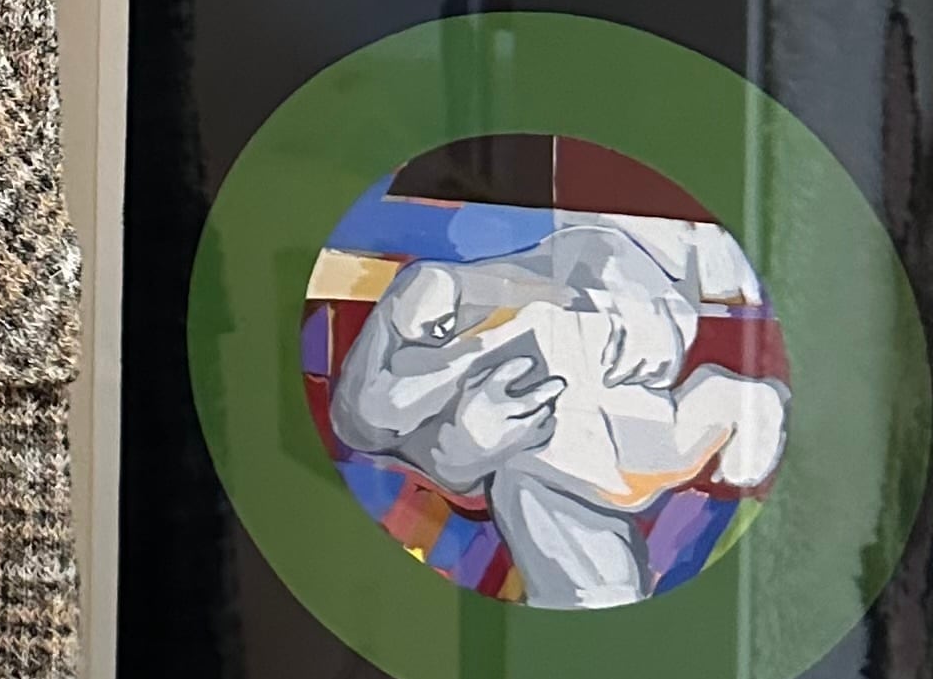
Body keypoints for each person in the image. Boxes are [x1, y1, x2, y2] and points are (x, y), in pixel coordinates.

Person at [329, 209, 787, 608]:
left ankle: (730, 399)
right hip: (572, 445)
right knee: (548, 511)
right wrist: (462, 450)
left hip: (619, 296)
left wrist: (617, 279)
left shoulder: (442, 305)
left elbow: (577, 252)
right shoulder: (400, 409)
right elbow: (395, 440)